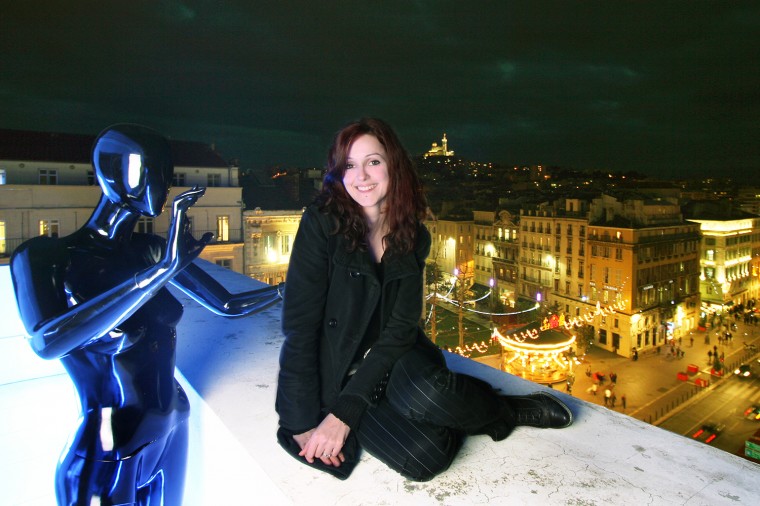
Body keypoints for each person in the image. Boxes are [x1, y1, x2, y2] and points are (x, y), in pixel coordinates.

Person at [275, 118, 572, 481]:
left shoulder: (412, 235)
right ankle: (467, 406)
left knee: (429, 392)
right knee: (424, 459)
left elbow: (400, 328)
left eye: (373, 161)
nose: (361, 176)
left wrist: (346, 413)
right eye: (349, 165)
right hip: (341, 371)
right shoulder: (322, 224)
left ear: (393, 165)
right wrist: (301, 421)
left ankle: (507, 410)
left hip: (394, 356)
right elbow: (300, 326)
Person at [10, 124, 283, 505]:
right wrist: (159, 273)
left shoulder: (149, 249)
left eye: (167, 174)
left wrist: (294, 288)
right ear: (112, 173)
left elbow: (227, 306)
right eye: (152, 171)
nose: (163, 185)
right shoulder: (47, 257)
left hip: (173, 424)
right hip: (110, 445)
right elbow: (47, 342)